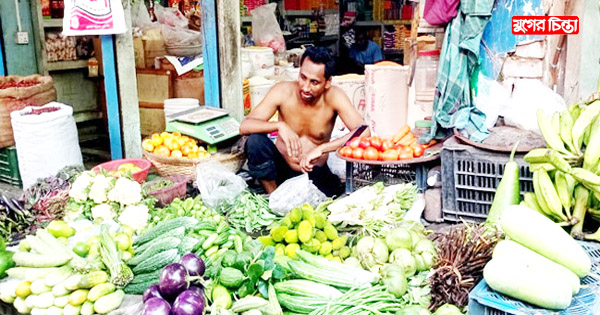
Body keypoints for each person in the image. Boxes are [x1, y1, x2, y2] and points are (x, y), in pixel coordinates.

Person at [239, 47, 367, 197]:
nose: (306, 87)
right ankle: (273, 197)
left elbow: (364, 131)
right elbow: (245, 126)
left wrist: (324, 148)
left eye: (314, 82)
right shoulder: (283, 90)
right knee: (255, 141)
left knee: (326, 200)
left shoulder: (334, 97)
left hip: (313, 174)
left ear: (327, 82)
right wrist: (279, 126)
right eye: (303, 77)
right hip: (280, 171)